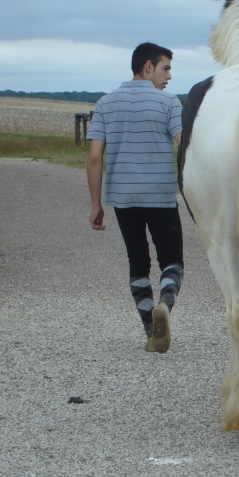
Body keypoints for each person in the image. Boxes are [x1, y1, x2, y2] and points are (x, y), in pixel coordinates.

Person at [87, 42, 184, 353]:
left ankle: (150, 330)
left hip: (124, 198)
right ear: (147, 66)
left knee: (138, 262)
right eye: (165, 67)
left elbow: (93, 158)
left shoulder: (105, 103)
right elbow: (184, 147)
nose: (169, 75)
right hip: (160, 195)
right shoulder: (169, 103)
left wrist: (96, 204)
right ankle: (165, 306)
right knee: (172, 261)